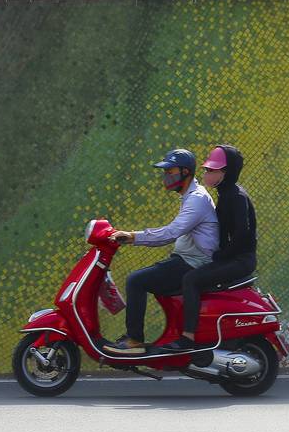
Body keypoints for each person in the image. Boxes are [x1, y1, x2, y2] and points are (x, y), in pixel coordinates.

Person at [108, 148, 219, 355]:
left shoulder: (196, 199)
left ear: (186, 172)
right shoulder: (190, 196)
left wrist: (132, 236)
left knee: (136, 280)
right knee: (148, 276)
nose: (166, 176)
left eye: (170, 171)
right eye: (165, 172)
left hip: (194, 263)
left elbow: (170, 233)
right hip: (186, 259)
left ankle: (134, 340)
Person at [156, 144, 258, 353]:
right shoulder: (225, 194)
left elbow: (242, 234)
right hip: (231, 258)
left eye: (213, 170)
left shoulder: (237, 196)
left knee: (191, 279)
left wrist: (222, 255)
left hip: (241, 261)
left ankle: (188, 338)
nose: (207, 173)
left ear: (226, 172)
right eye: (207, 169)